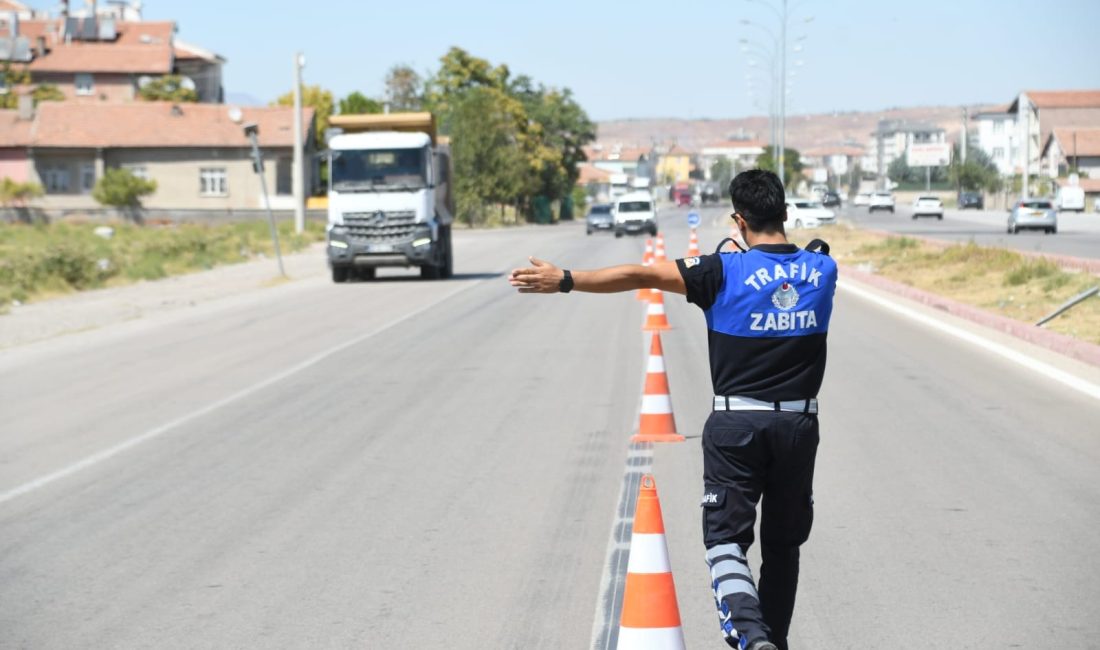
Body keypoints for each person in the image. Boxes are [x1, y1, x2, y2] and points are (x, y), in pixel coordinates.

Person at [509, 169, 837, 650]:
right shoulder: (823, 271)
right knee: (784, 547)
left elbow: (639, 274)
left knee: (726, 542)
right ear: (785, 213)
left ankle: (750, 634)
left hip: (736, 426)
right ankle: (773, 641)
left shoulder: (720, 271)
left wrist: (565, 279)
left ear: (738, 219)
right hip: (798, 427)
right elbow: (805, 260)